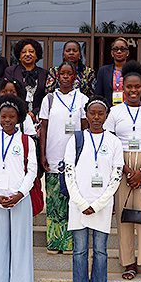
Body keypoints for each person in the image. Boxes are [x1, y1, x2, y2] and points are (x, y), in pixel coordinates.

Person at [105, 62, 141, 282]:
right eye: (128, 87)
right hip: (121, 164)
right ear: (123, 88)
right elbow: (110, 143)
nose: (132, 91)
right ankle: (128, 262)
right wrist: (127, 169)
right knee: (124, 215)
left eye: (137, 87)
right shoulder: (114, 112)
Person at [64, 96, 124, 282]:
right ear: (86, 116)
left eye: (100, 113)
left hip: (102, 205)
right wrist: (81, 202)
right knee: (79, 250)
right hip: (78, 203)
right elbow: (68, 173)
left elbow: (117, 175)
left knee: (100, 251)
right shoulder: (76, 139)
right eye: (92, 113)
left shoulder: (114, 142)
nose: (96, 117)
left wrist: (98, 204)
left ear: (106, 116)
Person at [0, 95, 38, 282]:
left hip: (20, 198)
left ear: (18, 118)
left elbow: (32, 171)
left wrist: (20, 194)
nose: (7, 120)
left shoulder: (26, 141)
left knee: (20, 243)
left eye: (11, 117)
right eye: (3, 116)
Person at [39, 62, 89, 254]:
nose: (66, 77)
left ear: (75, 76)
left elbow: (85, 128)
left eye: (69, 74)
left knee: (72, 201)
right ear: (57, 76)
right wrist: (42, 153)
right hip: (53, 154)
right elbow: (43, 128)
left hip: (74, 158)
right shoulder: (49, 99)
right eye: (62, 74)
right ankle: (53, 242)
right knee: (53, 201)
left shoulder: (82, 99)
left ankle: (68, 243)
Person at [4, 38, 47, 120]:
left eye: (31, 51)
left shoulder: (44, 74)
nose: (27, 54)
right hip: (15, 116)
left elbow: (46, 97)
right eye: (23, 52)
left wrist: (34, 112)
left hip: (39, 116)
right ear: (19, 56)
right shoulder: (10, 71)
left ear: (36, 55)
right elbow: (9, 95)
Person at [95, 37, 131, 106]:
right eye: (116, 49)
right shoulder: (103, 71)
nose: (119, 51)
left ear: (127, 53)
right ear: (112, 53)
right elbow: (98, 94)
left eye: (122, 49)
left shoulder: (133, 70)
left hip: (129, 110)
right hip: (109, 111)